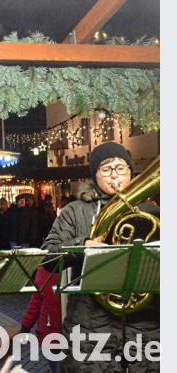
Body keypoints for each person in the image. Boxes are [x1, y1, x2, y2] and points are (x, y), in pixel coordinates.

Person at [41, 142, 159, 372]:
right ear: (94, 175)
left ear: (131, 172)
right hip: (90, 325)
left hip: (146, 325)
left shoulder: (153, 212)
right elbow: (48, 257)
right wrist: (82, 245)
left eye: (121, 168)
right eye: (106, 169)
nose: (115, 174)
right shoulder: (74, 211)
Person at [20, 265, 62, 373]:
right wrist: (25, 326)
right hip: (52, 333)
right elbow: (36, 300)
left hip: (73, 332)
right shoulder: (45, 266)